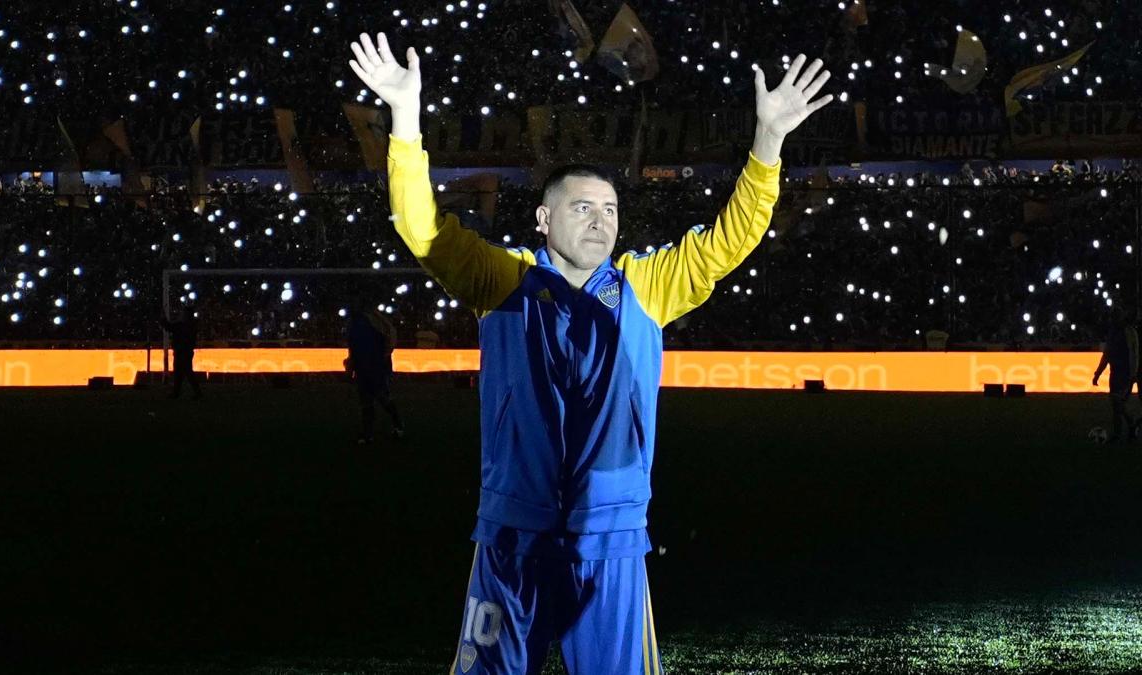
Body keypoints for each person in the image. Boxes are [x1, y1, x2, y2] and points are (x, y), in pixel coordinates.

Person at [349, 32, 832, 674]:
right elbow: (422, 228)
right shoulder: (503, 281)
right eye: (582, 208)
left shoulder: (647, 287)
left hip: (613, 535)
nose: (601, 220)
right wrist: (405, 119)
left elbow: (727, 242)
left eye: (609, 209)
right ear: (544, 221)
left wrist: (768, 140)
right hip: (512, 533)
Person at [346, 301, 405, 444]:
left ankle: (393, 427)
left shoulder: (373, 322)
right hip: (367, 365)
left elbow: (388, 339)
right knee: (370, 400)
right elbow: (353, 346)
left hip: (374, 365)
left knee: (379, 398)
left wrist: (383, 357)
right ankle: (370, 432)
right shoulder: (362, 323)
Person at [1093, 307, 1140, 442]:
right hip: (1115, 371)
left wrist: (1133, 373)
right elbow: (1107, 354)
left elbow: (1134, 354)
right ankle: (1128, 427)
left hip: (1125, 372)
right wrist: (1098, 373)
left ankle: (1122, 430)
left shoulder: (1129, 332)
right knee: (1116, 404)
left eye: (1115, 316)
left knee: (1117, 401)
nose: (1113, 319)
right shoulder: (1114, 332)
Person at [160, 308, 201, 399]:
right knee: (185, 372)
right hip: (186, 352)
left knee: (182, 373)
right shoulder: (191, 326)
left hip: (181, 352)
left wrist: (163, 318)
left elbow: (168, 327)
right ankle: (182, 392)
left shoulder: (181, 326)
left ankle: (179, 392)